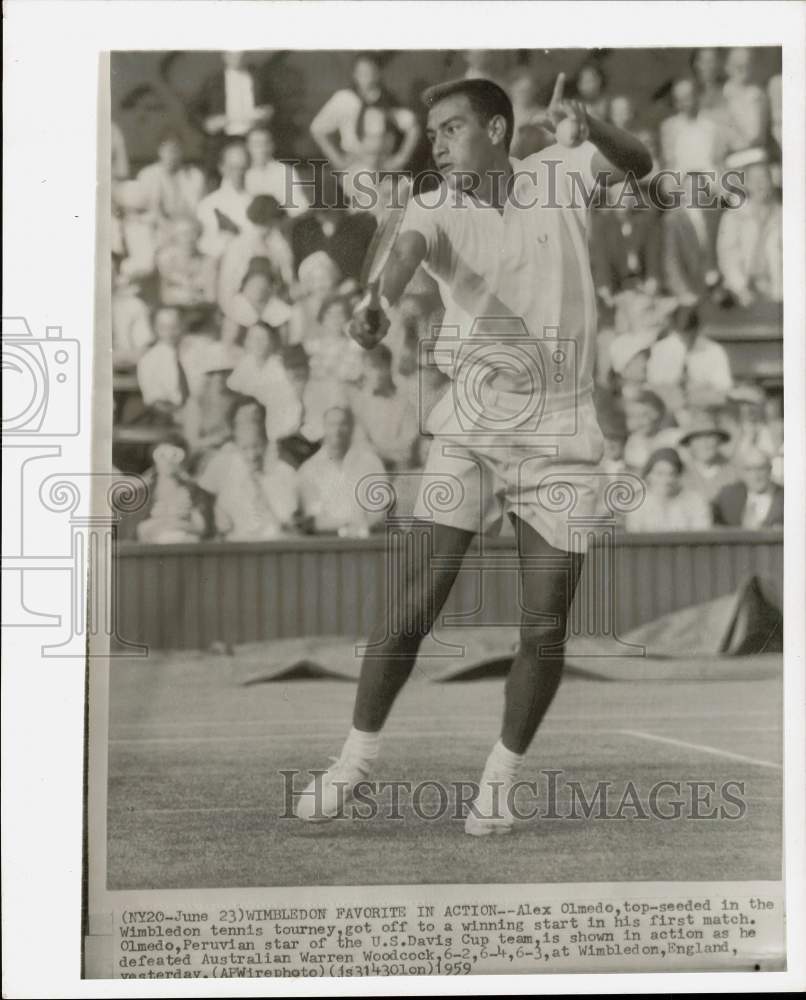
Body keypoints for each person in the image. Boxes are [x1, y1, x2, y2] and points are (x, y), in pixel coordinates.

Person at [293, 74, 652, 833]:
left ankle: (498, 781)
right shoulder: (434, 203)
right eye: (433, 132)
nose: (437, 143)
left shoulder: (563, 167)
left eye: (451, 128)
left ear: (495, 130)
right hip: (473, 427)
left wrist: (594, 129)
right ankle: (353, 764)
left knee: (544, 624)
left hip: (563, 436)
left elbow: (642, 165)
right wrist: (376, 307)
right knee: (417, 600)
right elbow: (402, 258)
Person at [309, 51, 421, 177]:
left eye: (371, 72)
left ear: (379, 73)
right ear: (355, 75)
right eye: (362, 73)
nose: (367, 77)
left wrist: (401, 158)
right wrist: (337, 161)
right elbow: (317, 129)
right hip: (355, 165)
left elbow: (412, 126)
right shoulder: (344, 99)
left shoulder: (387, 101)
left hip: (382, 164)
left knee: (404, 189)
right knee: (367, 186)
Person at [198, 399, 298, 540]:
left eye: (255, 419)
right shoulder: (221, 462)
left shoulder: (283, 468)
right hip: (234, 545)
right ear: (233, 426)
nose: (249, 424)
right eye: (242, 421)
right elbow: (204, 500)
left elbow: (288, 521)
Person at [296, 405, 386, 536]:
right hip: (326, 543)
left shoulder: (371, 463)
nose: (337, 430)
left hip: (366, 540)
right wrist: (345, 528)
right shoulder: (309, 469)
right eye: (332, 425)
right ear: (324, 428)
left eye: (342, 424)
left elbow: (379, 512)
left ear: (351, 428)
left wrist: (360, 528)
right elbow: (313, 519)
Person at [717, 159, 783, 306]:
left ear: (771, 181)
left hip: (777, 290)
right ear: (746, 184)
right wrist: (741, 288)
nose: (759, 185)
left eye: (764, 179)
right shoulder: (733, 216)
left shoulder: (784, 215)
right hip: (741, 292)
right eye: (754, 180)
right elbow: (728, 256)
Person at [351, 343, 421, 472]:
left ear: (389, 367)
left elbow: (408, 445)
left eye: (380, 367)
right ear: (364, 370)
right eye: (370, 368)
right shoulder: (359, 402)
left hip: (399, 468)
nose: (376, 374)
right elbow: (360, 443)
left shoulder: (405, 402)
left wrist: (387, 455)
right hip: (368, 468)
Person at [217, 194, 294, 308]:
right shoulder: (239, 245)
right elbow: (228, 286)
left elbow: (287, 278)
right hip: (242, 305)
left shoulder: (279, 244)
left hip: (274, 305)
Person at [646, 305, 733, 398]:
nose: (685, 338)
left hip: (703, 404)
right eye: (680, 333)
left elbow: (723, 390)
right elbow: (654, 384)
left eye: (690, 332)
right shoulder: (662, 348)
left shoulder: (714, 352)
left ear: (699, 329)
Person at [136, 132, 206, 239]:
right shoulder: (148, 174)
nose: (172, 156)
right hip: (158, 229)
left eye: (176, 150)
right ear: (159, 151)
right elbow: (150, 210)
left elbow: (198, 209)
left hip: (188, 228)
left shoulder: (194, 175)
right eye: (168, 150)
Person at [625, 447, 712, 532]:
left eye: (672, 474)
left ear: (679, 475)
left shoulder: (695, 501)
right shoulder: (638, 504)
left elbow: (702, 536)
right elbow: (634, 538)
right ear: (648, 475)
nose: (666, 480)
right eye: (659, 474)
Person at [191, 51, 273, 140]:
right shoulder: (213, 81)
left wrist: (269, 112)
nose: (237, 57)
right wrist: (207, 123)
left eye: (240, 53)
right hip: (223, 138)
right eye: (232, 54)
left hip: (254, 138)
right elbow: (192, 110)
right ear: (224, 56)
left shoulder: (260, 77)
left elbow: (274, 104)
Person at [196, 141, 252, 258]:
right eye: (233, 168)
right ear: (222, 168)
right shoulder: (208, 204)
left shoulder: (255, 200)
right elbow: (207, 245)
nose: (239, 173)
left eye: (243, 168)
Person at [660, 77, 726, 174]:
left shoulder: (711, 125)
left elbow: (718, 160)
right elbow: (669, 162)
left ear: (697, 96)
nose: (684, 103)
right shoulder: (669, 127)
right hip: (680, 180)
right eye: (679, 99)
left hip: (710, 179)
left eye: (688, 97)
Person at [136, 306, 189, 419]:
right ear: (155, 329)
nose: (170, 332)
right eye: (163, 327)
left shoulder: (186, 353)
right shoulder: (149, 359)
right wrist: (178, 414)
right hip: (163, 414)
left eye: (175, 326)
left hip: (189, 411)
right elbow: (153, 400)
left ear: (182, 327)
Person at [245, 125, 309, 216]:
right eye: (256, 144)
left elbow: (298, 207)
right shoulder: (244, 173)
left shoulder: (284, 171)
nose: (262, 149)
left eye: (266, 143)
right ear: (248, 146)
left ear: (272, 146)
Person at [155, 216, 217, 309]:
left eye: (192, 233)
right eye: (183, 234)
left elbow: (211, 297)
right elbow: (163, 295)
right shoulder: (165, 259)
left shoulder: (208, 260)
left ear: (199, 235)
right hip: (173, 309)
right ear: (175, 236)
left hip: (202, 310)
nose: (188, 238)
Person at [712, 447, 783, 529]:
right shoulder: (727, 496)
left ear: (770, 469)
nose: (755, 476)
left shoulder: (786, 498)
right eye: (749, 469)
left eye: (761, 468)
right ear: (741, 472)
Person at [678, 416, 738, 502]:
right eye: (698, 438)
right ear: (689, 443)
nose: (704, 443)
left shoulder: (734, 472)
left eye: (710, 437)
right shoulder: (681, 473)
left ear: (719, 440)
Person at [722, 47, 769, 155]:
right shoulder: (720, 95)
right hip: (726, 158)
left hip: (753, 154)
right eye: (736, 64)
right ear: (726, 66)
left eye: (746, 64)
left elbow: (756, 137)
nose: (741, 68)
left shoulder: (758, 95)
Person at [623, 389, 680, 472]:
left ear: (658, 414)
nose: (637, 422)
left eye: (643, 416)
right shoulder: (633, 442)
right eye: (632, 416)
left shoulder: (674, 438)